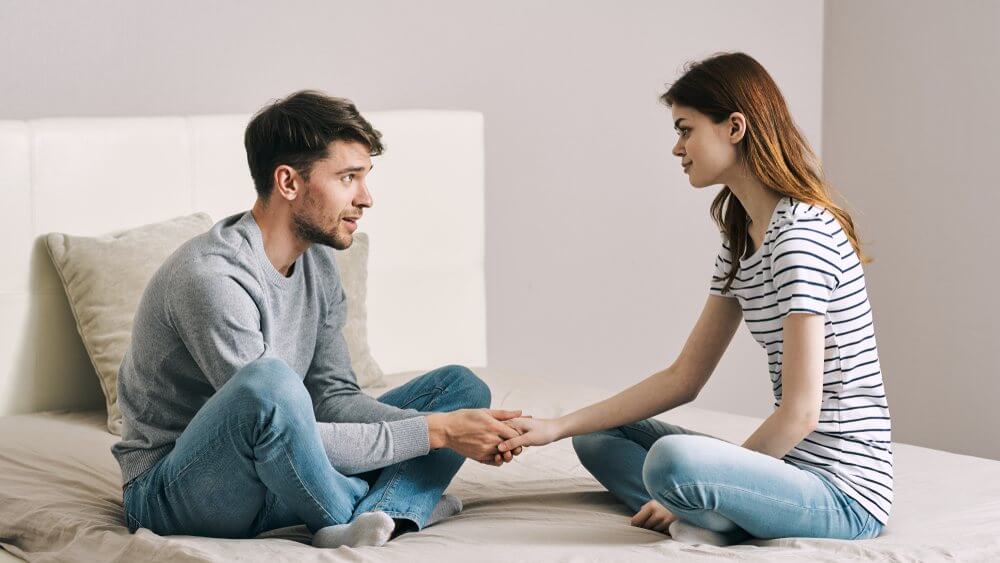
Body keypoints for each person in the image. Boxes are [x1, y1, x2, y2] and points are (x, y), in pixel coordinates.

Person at [497, 52, 891, 546]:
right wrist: (555, 426)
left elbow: (801, 414)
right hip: (786, 472)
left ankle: (702, 509)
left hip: (843, 494)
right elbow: (684, 377)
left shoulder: (800, 238)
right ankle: (708, 514)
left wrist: (697, 481)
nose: (676, 148)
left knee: (672, 464)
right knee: (597, 436)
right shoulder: (741, 237)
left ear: (734, 127)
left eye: (686, 129)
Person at [112, 90, 523, 549]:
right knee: (269, 382)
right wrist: (438, 433)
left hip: (283, 473)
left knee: (461, 391)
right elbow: (274, 418)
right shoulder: (211, 276)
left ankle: (379, 513)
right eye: (348, 178)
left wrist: (449, 422)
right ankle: (378, 507)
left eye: (365, 178)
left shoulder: (319, 264)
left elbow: (331, 398)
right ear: (289, 182)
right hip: (179, 489)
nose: (366, 199)